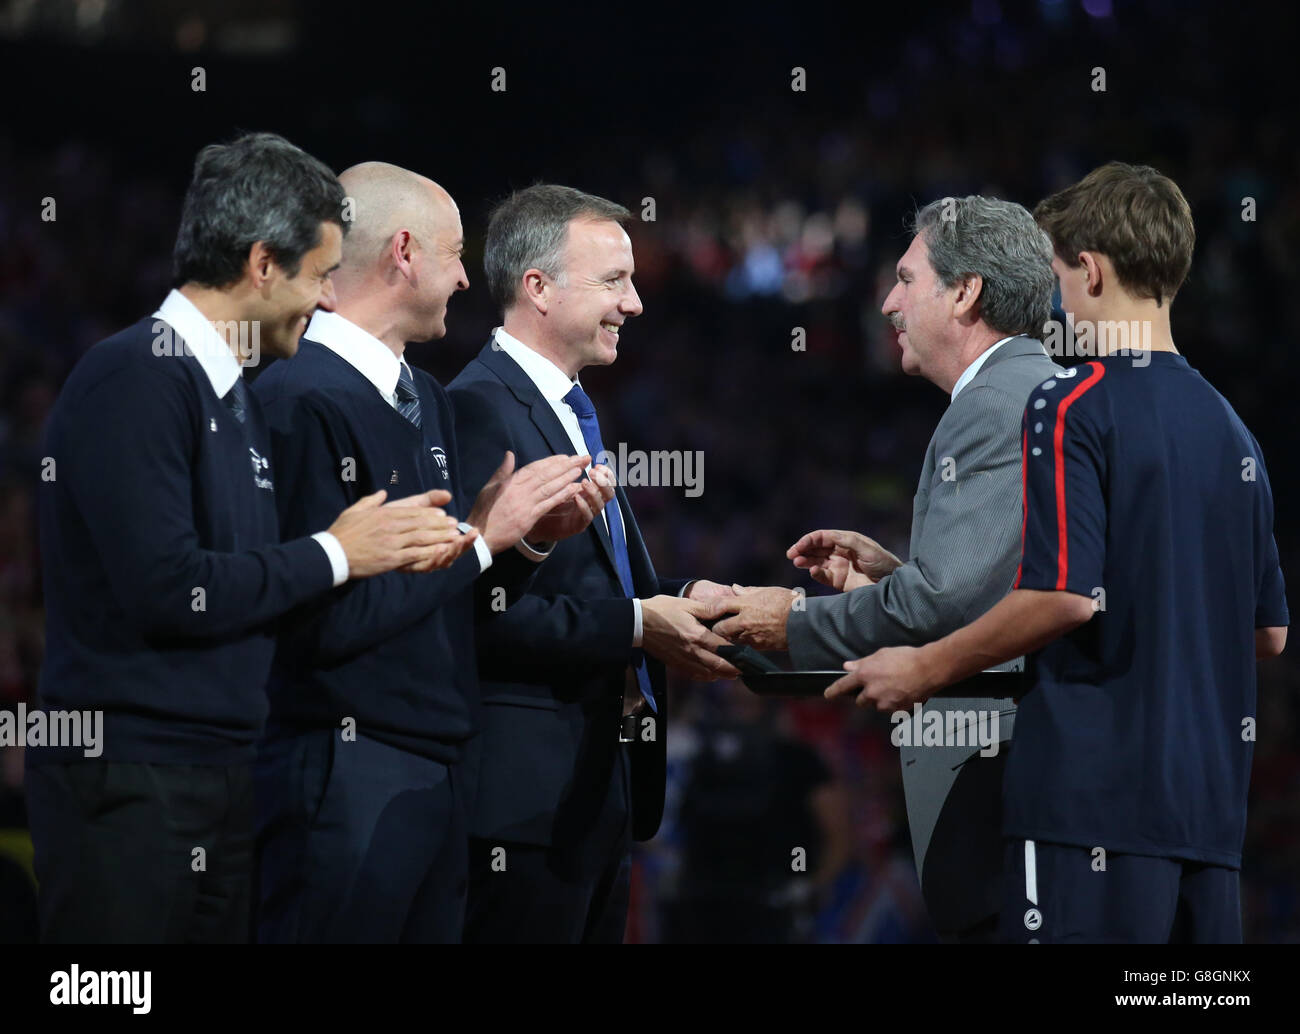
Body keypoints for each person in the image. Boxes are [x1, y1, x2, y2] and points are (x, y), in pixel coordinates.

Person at [827, 163, 1289, 944]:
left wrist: (924, 666)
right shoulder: (1232, 430)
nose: (1052, 300)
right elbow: (1268, 634)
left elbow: (1064, 597)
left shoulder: (1068, 401)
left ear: (1092, 271)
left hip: (1086, 814)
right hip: (1208, 818)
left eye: (1057, 273)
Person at [27, 133, 461, 944]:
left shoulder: (238, 400)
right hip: (129, 782)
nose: (327, 297)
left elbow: (247, 581)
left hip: (219, 777)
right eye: (319, 274)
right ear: (263, 264)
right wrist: (337, 552)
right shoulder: (136, 378)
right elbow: (170, 589)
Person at [252, 163, 606, 943]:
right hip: (342, 764)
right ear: (403, 253)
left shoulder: (431, 401)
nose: (463, 278)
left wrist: (527, 542)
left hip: (439, 767)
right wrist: (483, 536)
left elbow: (453, 595)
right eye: (454, 255)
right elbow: (323, 616)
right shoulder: (296, 397)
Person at [708, 196, 1060, 941]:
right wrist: (895, 577)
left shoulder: (994, 404)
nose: (889, 301)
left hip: (1001, 790)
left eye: (906, 278)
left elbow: (943, 602)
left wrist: (792, 621)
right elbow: (1003, 596)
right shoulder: (1034, 391)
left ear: (966, 292)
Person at [448, 184, 738, 943]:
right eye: (615, 281)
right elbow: (480, 611)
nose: (635, 303)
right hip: (522, 806)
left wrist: (684, 597)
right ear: (538, 288)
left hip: (593, 799)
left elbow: (591, 585)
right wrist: (642, 623)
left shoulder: (569, 407)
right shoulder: (479, 408)